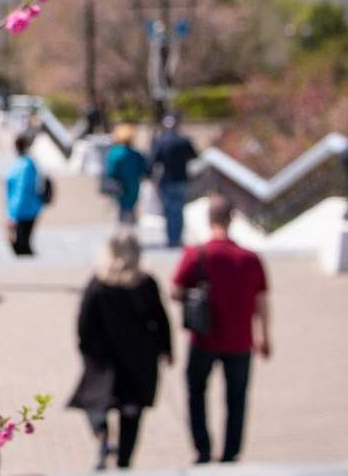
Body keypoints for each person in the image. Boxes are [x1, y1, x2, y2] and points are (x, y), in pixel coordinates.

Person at [172, 196, 271, 465]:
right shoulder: (250, 258)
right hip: (241, 340)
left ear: (209, 220)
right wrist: (264, 335)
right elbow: (262, 300)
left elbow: (176, 290)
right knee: (236, 399)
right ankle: (230, 453)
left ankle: (202, 448)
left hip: (203, 338)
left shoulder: (197, 254)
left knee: (196, 392)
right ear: (232, 219)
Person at [69, 230, 172, 470]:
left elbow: (84, 322)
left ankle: (102, 433)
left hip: (103, 358)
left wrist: (86, 350)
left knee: (95, 401)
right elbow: (160, 319)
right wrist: (166, 349)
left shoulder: (98, 283)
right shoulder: (144, 283)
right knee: (131, 411)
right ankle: (124, 461)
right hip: (139, 358)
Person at [150, 113, 198, 248]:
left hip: (166, 180)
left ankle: (171, 238)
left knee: (169, 210)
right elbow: (195, 157)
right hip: (182, 179)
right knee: (179, 210)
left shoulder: (160, 141)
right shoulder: (184, 141)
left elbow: (153, 161)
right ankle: (177, 237)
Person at [104, 124, 149, 224]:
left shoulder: (114, 153)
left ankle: (123, 233)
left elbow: (110, 171)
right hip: (133, 186)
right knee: (131, 210)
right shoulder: (136, 154)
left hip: (119, 187)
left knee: (121, 211)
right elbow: (145, 170)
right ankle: (130, 233)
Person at [5, 134, 42, 256]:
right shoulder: (28, 163)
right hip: (30, 208)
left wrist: (13, 215)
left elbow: (20, 192)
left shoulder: (22, 165)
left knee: (21, 247)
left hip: (23, 211)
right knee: (24, 245)